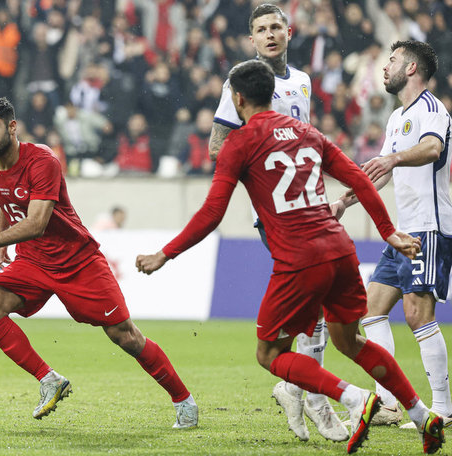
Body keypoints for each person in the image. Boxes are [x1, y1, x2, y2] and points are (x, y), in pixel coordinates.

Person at [136, 60, 445, 454]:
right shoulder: (308, 132)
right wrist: (388, 231)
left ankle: (354, 398)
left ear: (238, 98)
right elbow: (357, 177)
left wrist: (165, 253)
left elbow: (212, 213)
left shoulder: (238, 144)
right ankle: (421, 414)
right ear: (271, 93)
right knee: (349, 340)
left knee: (269, 354)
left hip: (300, 261)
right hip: (340, 251)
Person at [0, 97, 197, 428]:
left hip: (77, 261)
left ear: (12, 127)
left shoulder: (42, 161)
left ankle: (183, 400)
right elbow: (7, 199)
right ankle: (49, 380)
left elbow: (37, 223)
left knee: (125, 336)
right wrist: (2, 237)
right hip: (33, 260)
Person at [207, 4, 344, 442]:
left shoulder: (302, 81)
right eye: (261, 29)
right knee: (316, 303)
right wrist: (263, 166)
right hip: (274, 213)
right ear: (251, 39)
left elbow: (305, 143)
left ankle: (295, 388)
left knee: (313, 307)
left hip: (310, 206)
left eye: (275, 27)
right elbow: (216, 146)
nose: (269, 34)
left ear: (289, 32)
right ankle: (316, 399)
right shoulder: (241, 83)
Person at [332, 40, 452, 427]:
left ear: (412, 68)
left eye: (393, 60)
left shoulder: (432, 109)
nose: (385, 67)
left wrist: (394, 158)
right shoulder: (396, 117)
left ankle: (444, 407)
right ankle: (387, 403)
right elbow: (379, 173)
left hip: (429, 227)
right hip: (403, 232)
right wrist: (344, 202)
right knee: (371, 310)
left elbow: (432, 149)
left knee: (417, 314)